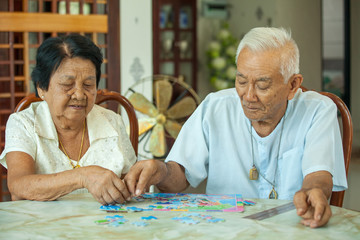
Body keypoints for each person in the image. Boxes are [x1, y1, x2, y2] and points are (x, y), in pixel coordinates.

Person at [124, 27, 348, 228]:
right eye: (241, 81)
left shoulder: (318, 110)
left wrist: (313, 193)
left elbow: (319, 175)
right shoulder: (216, 107)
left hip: (292, 228)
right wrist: (160, 170)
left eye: (262, 85)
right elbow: (180, 175)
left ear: (292, 85)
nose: (248, 96)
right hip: (225, 230)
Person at [0, 34, 136, 205]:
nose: (79, 94)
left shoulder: (112, 122)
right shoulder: (24, 123)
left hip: (104, 227)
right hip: (44, 227)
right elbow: (19, 186)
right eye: (67, 85)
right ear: (41, 87)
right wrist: (82, 177)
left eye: (88, 85)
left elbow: (130, 187)